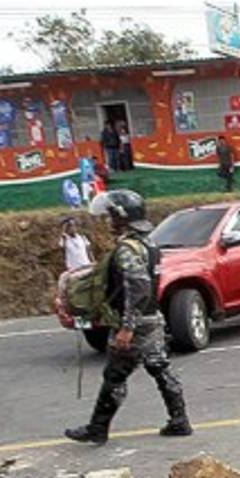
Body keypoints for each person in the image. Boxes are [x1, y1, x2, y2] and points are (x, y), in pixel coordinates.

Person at [65, 190, 192, 445]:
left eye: (111, 215)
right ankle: (180, 421)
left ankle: (97, 428)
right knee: (160, 368)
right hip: (152, 319)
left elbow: (139, 287)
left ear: (123, 217)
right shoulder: (150, 244)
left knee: (115, 375)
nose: (108, 220)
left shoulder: (127, 249)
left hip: (135, 323)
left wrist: (127, 327)